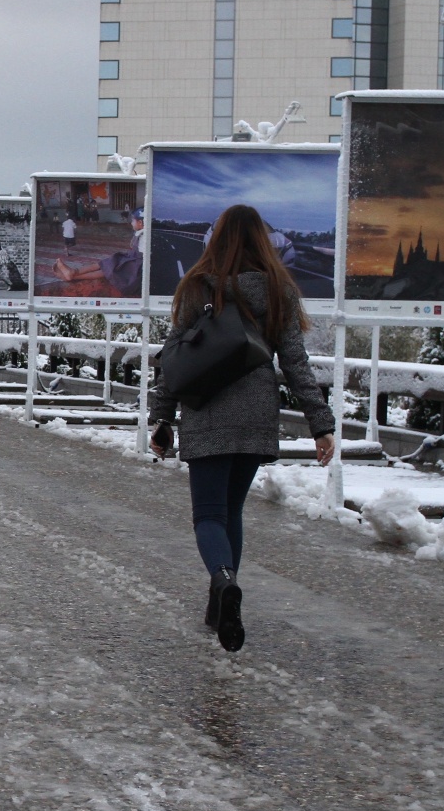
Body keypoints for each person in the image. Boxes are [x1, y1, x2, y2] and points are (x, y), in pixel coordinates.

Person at [149, 204, 336, 652]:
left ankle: (223, 579)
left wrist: (163, 417)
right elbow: (295, 363)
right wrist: (321, 425)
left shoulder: (198, 285)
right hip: (256, 411)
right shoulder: (278, 289)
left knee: (208, 515)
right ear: (263, 241)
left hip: (208, 408)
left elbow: (175, 357)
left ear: (216, 238)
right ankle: (220, 606)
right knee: (231, 510)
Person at [53, 209, 144, 297]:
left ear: (140, 223)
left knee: (107, 270)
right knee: (104, 264)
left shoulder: (145, 236)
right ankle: (73, 272)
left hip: (135, 267)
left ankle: (73, 276)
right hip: (131, 260)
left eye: (133, 220)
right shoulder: (140, 232)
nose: (131, 223)